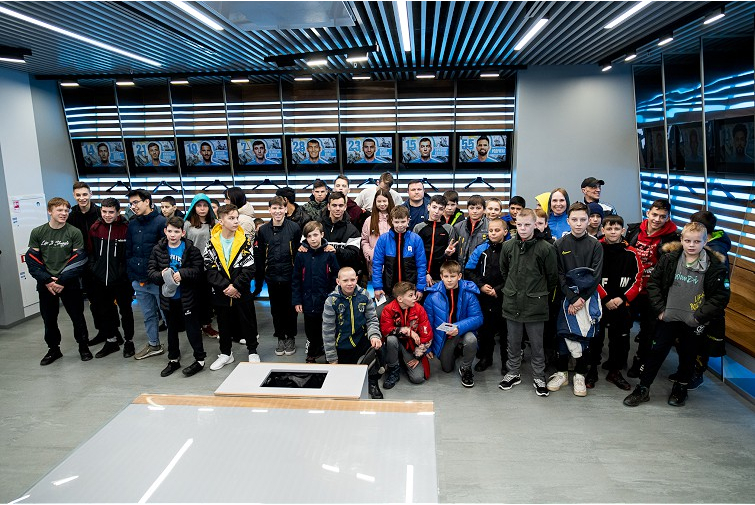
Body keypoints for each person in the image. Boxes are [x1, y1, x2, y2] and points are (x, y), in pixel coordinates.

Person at [623, 222, 730, 408]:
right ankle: (643, 387)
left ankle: (681, 387)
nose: (691, 245)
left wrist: (698, 317)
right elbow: (654, 284)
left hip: (693, 321)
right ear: (681, 239)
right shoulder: (669, 259)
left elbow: (720, 297)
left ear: (705, 242)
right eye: (687, 240)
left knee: (688, 355)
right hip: (668, 317)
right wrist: (660, 310)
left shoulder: (715, 266)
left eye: (697, 241)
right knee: (656, 352)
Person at [497, 209, 558, 396]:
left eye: (527, 225)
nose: (523, 228)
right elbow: (504, 271)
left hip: (535, 303)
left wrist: (537, 292)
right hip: (512, 301)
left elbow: (552, 277)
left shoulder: (545, 248)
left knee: (537, 343)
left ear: (535, 225)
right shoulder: (508, 246)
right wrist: (513, 288)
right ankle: (513, 372)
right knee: (513, 341)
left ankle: (539, 376)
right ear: (515, 224)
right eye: (519, 224)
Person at [548, 202, 604, 397]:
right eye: (574, 219)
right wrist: (571, 298)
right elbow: (559, 274)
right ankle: (562, 373)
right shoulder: (559, 244)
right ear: (568, 221)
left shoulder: (595, 245)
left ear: (589, 221)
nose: (578, 223)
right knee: (563, 335)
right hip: (566, 298)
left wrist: (581, 299)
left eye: (582, 219)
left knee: (584, 337)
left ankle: (580, 375)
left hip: (587, 299)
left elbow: (596, 275)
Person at [27, 197, 91, 365]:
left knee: (77, 317)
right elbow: (32, 259)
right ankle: (53, 349)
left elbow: (79, 259)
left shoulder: (74, 232)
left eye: (66, 210)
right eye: (60, 210)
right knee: (49, 319)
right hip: (46, 284)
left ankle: (83, 347)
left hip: (69, 283)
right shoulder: (38, 232)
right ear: (50, 211)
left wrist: (61, 280)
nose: (64, 213)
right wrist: (47, 280)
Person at [585, 215, 643, 391]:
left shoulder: (632, 253)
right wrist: (605, 298)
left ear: (622, 231)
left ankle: (615, 372)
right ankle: (592, 370)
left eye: (616, 229)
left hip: (621, 305)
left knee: (619, 341)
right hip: (599, 304)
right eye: (609, 228)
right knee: (595, 339)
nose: (613, 232)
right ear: (603, 230)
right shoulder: (595, 249)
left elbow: (638, 279)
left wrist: (622, 298)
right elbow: (590, 276)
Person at [625, 199, 680, 377]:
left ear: (668, 217)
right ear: (648, 213)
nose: (657, 219)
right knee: (623, 325)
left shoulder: (673, 238)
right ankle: (619, 361)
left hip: (654, 292)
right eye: (654, 214)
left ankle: (640, 362)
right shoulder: (634, 230)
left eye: (662, 216)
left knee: (649, 331)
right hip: (632, 288)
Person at [148, 216, 207, 377]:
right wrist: (161, 275)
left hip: (187, 298)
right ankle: (173, 359)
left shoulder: (191, 249)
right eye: (170, 231)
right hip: (168, 299)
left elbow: (199, 271)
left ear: (183, 233)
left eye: (176, 231)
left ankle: (200, 359)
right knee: (171, 330)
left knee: (192, 329)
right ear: (165, 231)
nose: (172, 235)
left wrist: (183, 273)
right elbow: (151, 272)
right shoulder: (158, 249)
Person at [204, 204, 259, 369]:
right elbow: (210, 270)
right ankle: (226, 354)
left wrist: (236, 286)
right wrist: (226, 287)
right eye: (231, 218)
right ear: (221, 221)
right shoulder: (211, 243)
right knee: (223, 324)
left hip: (241, 292)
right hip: (221, 293)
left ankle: (253, 351)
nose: (236, 221)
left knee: (248, 322)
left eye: (237, 218)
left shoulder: (245, 241)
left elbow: (250, 268)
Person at [682, 210, 732, 388]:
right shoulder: (707, 244)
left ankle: (697, 373)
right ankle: (687, 371)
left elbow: (717, 287)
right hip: (693, 301)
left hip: (705, 305)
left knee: (701, 342)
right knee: (691, 341)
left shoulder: (715, 251)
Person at [322, 267, 384, 399]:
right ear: (338, 281)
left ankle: (372, 382)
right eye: (345, 280)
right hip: (341, 344)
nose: (349, 283)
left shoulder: (364, 295)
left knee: (375, 349)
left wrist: (374, 335)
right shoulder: (331, 301)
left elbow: (372, 319)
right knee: (341, 385)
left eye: (352, 280)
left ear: (356, 279)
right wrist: (332, 358)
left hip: (359, 339)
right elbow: (327, 332)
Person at [87, 198, 134, 358]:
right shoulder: (95, 228)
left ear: (118, 212)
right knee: (105, 311)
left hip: (121, 280)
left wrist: (124, 272)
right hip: (100, 279)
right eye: (104, 211)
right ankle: (111, 341)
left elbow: (130, 253)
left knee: (126, 311)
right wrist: (94, 268)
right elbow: (90, 251)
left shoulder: (126, 228)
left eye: (111, 212)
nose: (107, 215)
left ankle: (129, 342)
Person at [424, 260, 483, 387]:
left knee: (471, 340)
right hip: (445, 337)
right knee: (447, 368)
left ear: (459, 276)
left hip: (463, 332)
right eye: (446, 276)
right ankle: (456, 350)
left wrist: (459, 327)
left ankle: (466, 368)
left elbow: (478, 318)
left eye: (453, 276)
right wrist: (427, 347)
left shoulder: (469, 293)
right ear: (441, 277)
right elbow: (427, 323)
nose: (449, 280)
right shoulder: (432, 296)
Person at [255, 196, 301, 356]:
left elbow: (299, 252)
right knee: (276, 309)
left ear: (285, 209)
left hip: (290, 276)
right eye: (274, 208)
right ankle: (280, 337)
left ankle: (291, 337)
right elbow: (260, 255)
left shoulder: (294, 228)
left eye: (280, 208)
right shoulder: (263, 230)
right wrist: (260, 278)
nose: (277, 211)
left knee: (291, 309)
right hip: (272, 277)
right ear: (269, 210)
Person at [126, 189, 166, 360]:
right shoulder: (132, 224)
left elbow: (165, 253)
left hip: (157, 280)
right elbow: (129, 251)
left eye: (136, 202)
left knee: (167, 316)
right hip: (138, 279)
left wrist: (157, 276)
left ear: (147, 201)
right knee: (148, 315)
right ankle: (153, 344)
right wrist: (132, 275)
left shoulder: (161, 222)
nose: (133, 206)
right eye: (131, 204)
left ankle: (174, 349)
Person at [292, 221, 339, 363]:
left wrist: (334, 296)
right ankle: (313, 351)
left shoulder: (329, 254)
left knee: (328, 327)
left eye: (315, 235)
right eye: (309, 236)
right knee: (311, 329)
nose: (313, 239)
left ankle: (329, 354)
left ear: (322, 235)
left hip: (326, 299)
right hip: (307, 300)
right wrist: (297, 300)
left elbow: (336, 276)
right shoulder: (301, 255)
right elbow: (296, 279)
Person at [464, 217, 506, 372]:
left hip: (503, 296)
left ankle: (506, 362)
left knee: (505, 332)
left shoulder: (509, 249)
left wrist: (499, 289)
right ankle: (486, 358)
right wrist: (481, 285)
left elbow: (514, 274)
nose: (493, 233)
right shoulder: (481, 249)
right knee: (485, 330)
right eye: (491, 230)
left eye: (497, 230)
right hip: (484, 296)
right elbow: (469, 270)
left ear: (505, 232)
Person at [67, 182, 103, 345]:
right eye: (78, 195)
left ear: (90, 194)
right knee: (94, 302)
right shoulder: (72, 216)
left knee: (107, 301)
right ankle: (102, 332)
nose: (82, 198)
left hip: (101, 262)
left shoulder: (100, 212)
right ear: (74, 196)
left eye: (84, 194)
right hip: (83, 264)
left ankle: (113, 333)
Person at [380, 281, 433, 388]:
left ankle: (403, 361)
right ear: (400, 299)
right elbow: (386, 330)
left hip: (411, 347)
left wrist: (418, 356)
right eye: (411, 295)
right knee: (391, 339)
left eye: (414, 294)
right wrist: (409, 332)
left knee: (418, 378)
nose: (415, 298)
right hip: (394, 345)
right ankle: (393, 368)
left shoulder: (419, 309)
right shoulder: (388, 309)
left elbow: (426, 335)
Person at [372, 205, 427, 302]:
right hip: (389, 288)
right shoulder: (383, 239)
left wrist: (420, 288)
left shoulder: (416, 239)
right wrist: (377, 287)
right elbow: (377, 264)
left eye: (403, 221)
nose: (400, 225)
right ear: (391, 221)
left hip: (411, 289)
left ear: (408, 220)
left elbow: (421, 265)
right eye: (397, 222)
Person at [183, 193, 220, 339]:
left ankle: (206, 325)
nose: (202, 208)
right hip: (192, 267)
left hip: (210, 267)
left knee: (207, 299)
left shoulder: (215, 223)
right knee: (194, 298)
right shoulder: (187, 224)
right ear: (194, 207)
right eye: (199, 205)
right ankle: (195, 325)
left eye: (205, 205)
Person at [414, 194, 458, 287]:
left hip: (441, 276)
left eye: (441, 209)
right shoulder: (418, 228)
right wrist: (425, 273)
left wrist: (447, 253)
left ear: (444, 210)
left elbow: (451, 256)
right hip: (421, 275)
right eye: (434, 207)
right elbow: (414, 253)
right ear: (428, 207)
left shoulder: (448, 228)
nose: (436, 211)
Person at [317, 191, 362, 276]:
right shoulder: (316, 226)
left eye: (341, 205)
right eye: (334, 205)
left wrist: (336, 251)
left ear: (345, 207)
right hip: (320, 275)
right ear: (328, 206)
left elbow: (353, 255)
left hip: (342, 276)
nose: (338, 209)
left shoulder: (353, 230)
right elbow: (305, 246)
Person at [361, 188, 394, 279]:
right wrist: (369, 254)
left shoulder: (395, 220)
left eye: (384, 201)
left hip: (392, 263)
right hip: (374, 264)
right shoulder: (369, 220)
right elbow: (364, 240)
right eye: (379, 201)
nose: (382, 204)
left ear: (389, 201)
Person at [454, 195, 489, 267]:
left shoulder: (490, 226)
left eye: (478, 208)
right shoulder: (458, 227)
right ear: (467, 208)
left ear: (484, 210)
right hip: (461, 267)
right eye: (472, 208)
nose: (474, 211)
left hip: (481, 267)